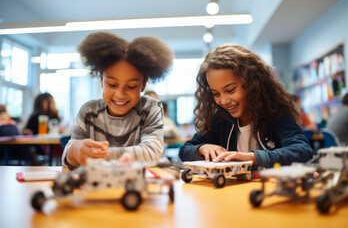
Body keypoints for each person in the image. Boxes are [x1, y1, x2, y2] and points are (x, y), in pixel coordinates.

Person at [178, 43, 313, 169]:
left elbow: (302, 150)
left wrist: (253, 158)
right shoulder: (220, 119)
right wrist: (202, 148)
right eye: (216, 94)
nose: (223, 101)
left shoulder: (276, 114)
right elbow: (185, 149)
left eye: (230, 90)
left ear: (252, 84)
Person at [62, 31, 174, 170]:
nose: (120, 95)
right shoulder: (88, 111)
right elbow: (68, 159)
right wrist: (75, 151)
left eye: (132, 86)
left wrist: (99, 155)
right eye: (112, 85)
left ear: (143, 85)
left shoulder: (151, 108)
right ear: (102, 80)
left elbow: (152, 152)